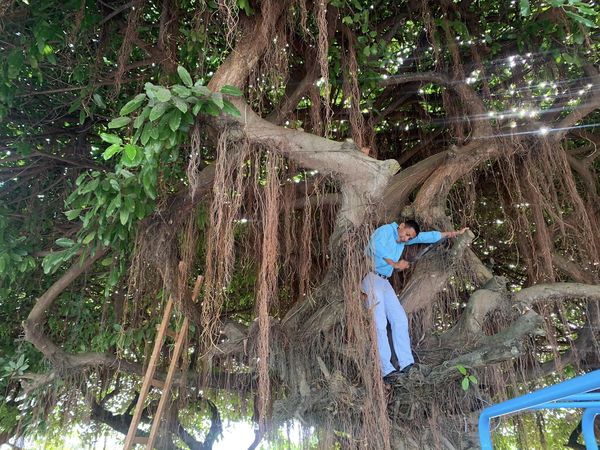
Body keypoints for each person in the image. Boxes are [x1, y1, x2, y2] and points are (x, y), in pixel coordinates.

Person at [362, 220, 467, 383]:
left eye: (410, 238)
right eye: (406, 234)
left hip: (384, 281)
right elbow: (375, 247)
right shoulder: (385, 230)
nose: (406, 239)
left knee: (400, 319)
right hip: (370, 277)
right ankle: (385, 369)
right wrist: (395, 263)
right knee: (379, 323)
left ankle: (406, 364)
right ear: (401, 226)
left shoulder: (404, 238)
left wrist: (452, 234)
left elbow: (426, 237)